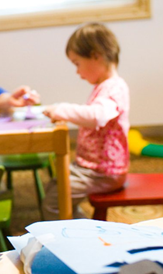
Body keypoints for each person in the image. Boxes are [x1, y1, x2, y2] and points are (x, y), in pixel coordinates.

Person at [41, 22, 130, 220]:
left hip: (103, 172)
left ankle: (63, 239)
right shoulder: (105, 86)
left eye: (77, 63)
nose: (77, 71)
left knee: (55, 199)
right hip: (91, 168)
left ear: (95, 56)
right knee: (55, 184)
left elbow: (97, 116)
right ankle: (77, 222)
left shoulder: (115, 88)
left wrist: (62, 109)